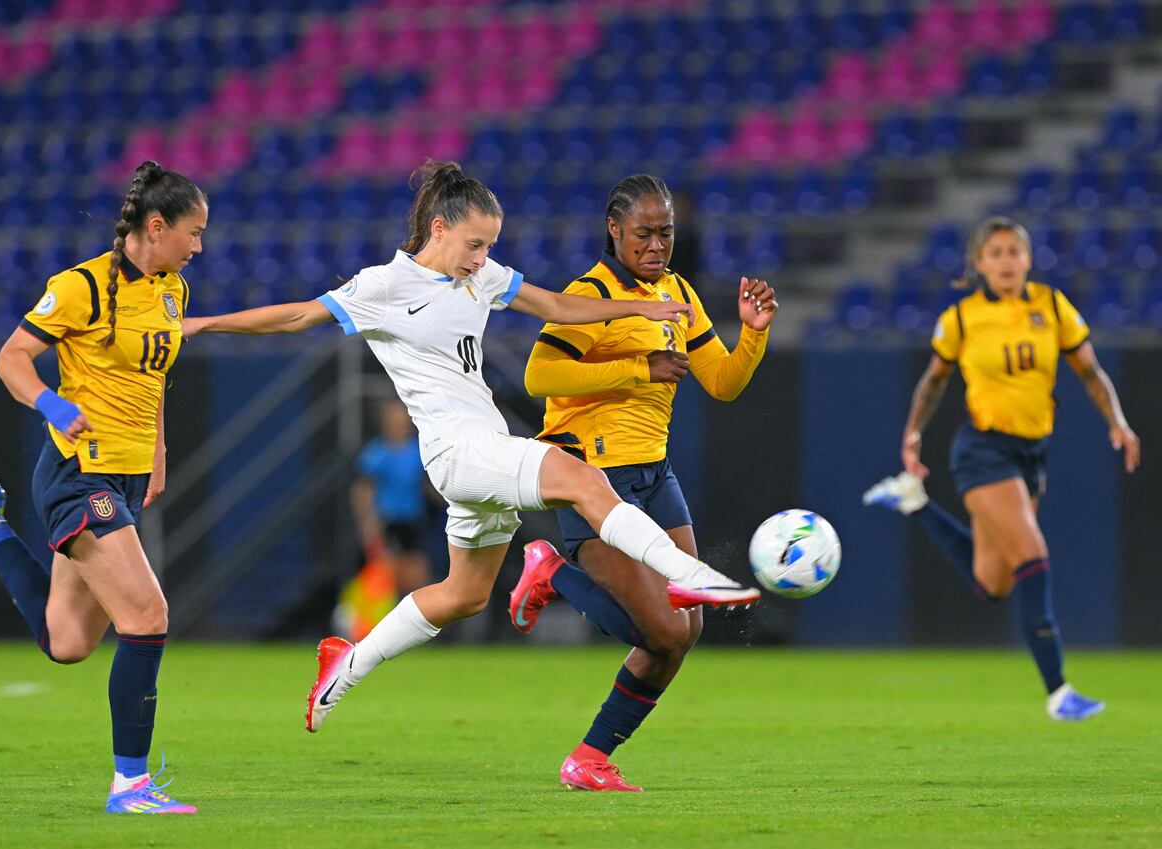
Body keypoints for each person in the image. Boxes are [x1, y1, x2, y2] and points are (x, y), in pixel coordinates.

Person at [178, 160, 758, 738]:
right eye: (475, 244)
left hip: (486, 449)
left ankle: (347, 663)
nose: (482, 258)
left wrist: (640, 306)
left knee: (464, 594)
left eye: (490, 246)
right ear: (438, 229)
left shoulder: (476, 277)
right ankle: (687, 573)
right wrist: (203, 325)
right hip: (457, 452)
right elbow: (297, 316)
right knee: (581, 478)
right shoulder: (383, 286)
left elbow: (556, 307)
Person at [0, 161, 204, 813]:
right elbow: (11, 356)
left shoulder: (173, 289)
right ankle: (131, 785)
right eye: (193, 231)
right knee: (147, 616)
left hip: (120, 473)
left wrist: (156, 447)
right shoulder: (81, 288)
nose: (198, 245)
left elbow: (152, 379)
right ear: (157, 226)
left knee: (66, 642)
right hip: (78, 473)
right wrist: (50, 404)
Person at [506, 174, 775, 792]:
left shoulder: (678, 292)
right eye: (644, 233)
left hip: (655, 474)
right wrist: (637, 368)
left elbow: (723, 382)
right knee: (660, 629)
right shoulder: (592, 293)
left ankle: (591, 757)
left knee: (688, 626)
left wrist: (753, 334)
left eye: (666, 232)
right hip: (592, 475)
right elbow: (539, 375)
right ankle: (551, 569)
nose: (657, 245)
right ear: (614, 230)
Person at [862, 216, 1140, 723]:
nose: (1007, 260)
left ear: (1029, 259)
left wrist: (1117, 421)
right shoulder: (964, 318)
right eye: (996, 252)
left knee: (995, 582)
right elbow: (933, 380)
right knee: (1033, 553)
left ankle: (914, 503)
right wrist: (913, 433)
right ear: (979, 264)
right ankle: (1059, 692)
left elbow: (1091, 371)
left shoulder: (1052, 306)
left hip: (1031, 454)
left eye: (1015, 250)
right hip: (983, 450)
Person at [350, 398, 432, 598]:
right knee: (386, 578)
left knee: (417, 578)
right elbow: (362, 493)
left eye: (402, 419)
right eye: (394, 419)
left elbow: (430, 487)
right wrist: (369, 530)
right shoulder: (376, 454)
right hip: (388, 523)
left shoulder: (419, 451)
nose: (399, 424)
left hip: (414, 522)